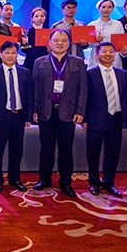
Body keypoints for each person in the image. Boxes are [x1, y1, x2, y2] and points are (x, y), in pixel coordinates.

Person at [31, 29, 87, 197]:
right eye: (56, 40)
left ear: (69, 43)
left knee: (66, 149)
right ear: (49, 43)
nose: (60, 43)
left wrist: (80, 111)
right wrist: (34, 110)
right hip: (45, 111)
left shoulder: (78, 62)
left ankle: (65, 181)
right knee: (46, 148)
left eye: (63, 40)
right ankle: (44, 179)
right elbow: (34, 88)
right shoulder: (39, 62)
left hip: (68, 112)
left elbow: (83, 89)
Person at [83, 42, 127, 197]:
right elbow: (84, 97)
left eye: (111, 52)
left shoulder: (122, 74)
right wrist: (84, 118)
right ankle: (94, 182)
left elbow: (126, 96)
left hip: (116, 118)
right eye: (104, 51)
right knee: (93, 153)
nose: (108, 54)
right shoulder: (89, 74)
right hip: (95, 119)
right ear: (96, 55)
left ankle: (109, 182)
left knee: (113, 152)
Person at [0, 41, 33, 193]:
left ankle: (15, 179)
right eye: (7, 53)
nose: (10, 56)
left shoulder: (25, 72)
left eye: (13, 53)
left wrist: (29, 116)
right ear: (1, 54)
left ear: (17, 54)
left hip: (18, 116)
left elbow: (29, 95)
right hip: (0, 117)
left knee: (17, 150)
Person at [87, 0, 127, 69]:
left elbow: (121, 44)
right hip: (96, 60)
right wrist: (96, 41)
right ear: (99, 8)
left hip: (114, 60)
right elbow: (87, 45)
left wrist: (124, 52)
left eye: (109, 7)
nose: (106, 9)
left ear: (113, 9)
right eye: (103, 7)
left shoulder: (118, 24)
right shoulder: (92, 25)